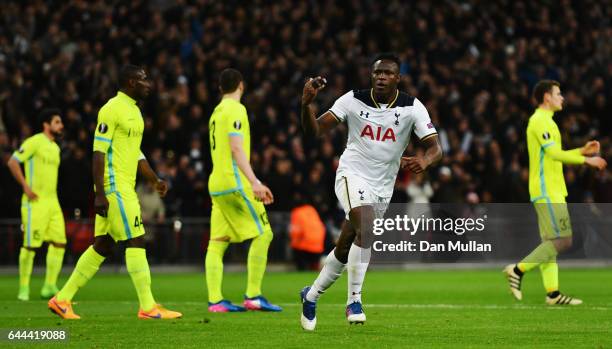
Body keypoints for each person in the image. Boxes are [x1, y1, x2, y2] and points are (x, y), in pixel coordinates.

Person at [299, 53, 443, 330]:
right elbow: (313, 131)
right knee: (366, 226)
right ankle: (354, 301)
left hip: (382, 186)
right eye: (377, 73)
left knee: (345, 245)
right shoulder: (352, 100)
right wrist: (306, 104)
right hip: (351, 174)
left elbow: (436, 147)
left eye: (388, 73)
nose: (381, 77)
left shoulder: (412, 107)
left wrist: (425, 160)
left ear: (397, 78)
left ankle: (312, 294)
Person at [48, 65, 182, 319]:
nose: (149, 84)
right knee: (136, 238)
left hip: (125, 185)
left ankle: (62, 299)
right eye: (144, 80)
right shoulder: (111, 109)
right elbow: (98, 152)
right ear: (131, 82)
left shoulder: (135, 112)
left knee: (104, 245)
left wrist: (154, 180)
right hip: (114, 187)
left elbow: (136, 153)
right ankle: (148, 306)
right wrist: (100, 192)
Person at [503, 80, 607, 305]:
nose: (562, 98)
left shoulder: (547, 121)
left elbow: (555, 152)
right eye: (558, 94)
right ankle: (518, 270)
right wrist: (586, 160)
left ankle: (553, 294)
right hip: (547, 190)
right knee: (563, 240)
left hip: (551, 189)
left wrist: (581, 149)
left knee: (550, 243)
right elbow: (554, 154)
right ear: (547, 97)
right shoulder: (539, 121)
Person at [205, 68, 281, 312]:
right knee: (264, 233)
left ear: (220, 88)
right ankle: (253, 295)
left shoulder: (216, 112)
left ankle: (215, 301)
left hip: (216, 183)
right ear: (241, 85)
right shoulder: (236, 110)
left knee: (217, 243)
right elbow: (236, 148)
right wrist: (254, 182)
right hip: (234, 182)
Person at [7, 109, 66, 301]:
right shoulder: (35, 141)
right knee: (30, 246)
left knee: (59, 243)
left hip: (53, 202)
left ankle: (49, 286)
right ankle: (23, 288)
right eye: (57, 122)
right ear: (46, 125)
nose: (61, 125)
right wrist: (25, 186)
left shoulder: (56, 148)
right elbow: (13, 161)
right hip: (36, 203)